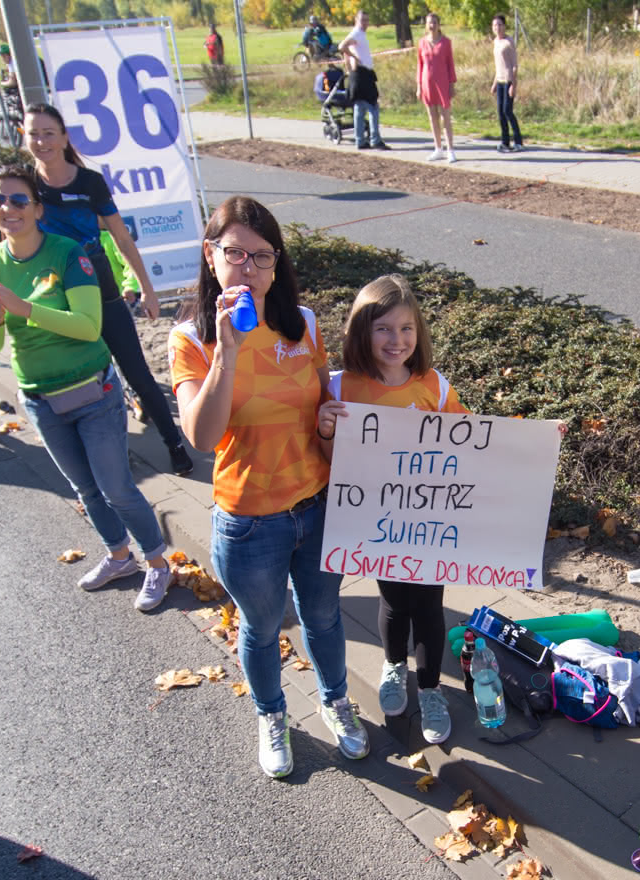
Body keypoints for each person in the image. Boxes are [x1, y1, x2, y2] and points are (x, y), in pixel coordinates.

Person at [168, 196, 360, 779]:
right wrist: (227, 352)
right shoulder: (191, 341)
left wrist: (331, 420)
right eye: (235, 254)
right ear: (210, 257)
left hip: (316, 507)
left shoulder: (303, 325)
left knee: (324, 617)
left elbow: (324, 407)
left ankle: (336, 701)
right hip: (249, 521)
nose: (248, 268)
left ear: (276, 265)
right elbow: (202, 436)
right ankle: (271, 714)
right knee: (260, 625)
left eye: (262, 256)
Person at [0, 100, 196, 475]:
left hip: (97, 284)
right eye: (33, 134)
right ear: (23, 137)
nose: (41, 141)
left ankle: (174, 444)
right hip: (50, 291)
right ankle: (104, 455)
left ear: (64, 137)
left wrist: (146, 287)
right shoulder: (21, 184)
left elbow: (123, 239)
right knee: (82, 374)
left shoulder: (88, 182)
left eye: (49, 133)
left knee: (136, 371)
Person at [0, 164, 174, 612]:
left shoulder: (67, 253)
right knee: (84, 489)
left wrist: (22, 307)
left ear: (38, 207)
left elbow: (89, 326)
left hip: (93, 393)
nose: (8, 208)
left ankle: (159, 562)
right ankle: (120, 557)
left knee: (117, 488)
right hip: (40, 398)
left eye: (19, 199)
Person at [315, 274, 466, 745]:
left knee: (430, 604)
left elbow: (475, 448)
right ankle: (394, 666)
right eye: (383, 328)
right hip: (375, 523)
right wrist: (323, 429)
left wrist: (536, 443)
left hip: (429, 522)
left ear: (418, 332)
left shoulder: (433, 386)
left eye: (406, 329)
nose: (396, 340)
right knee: (394, 600)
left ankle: (431, 688)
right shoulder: (340, 386)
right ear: (361, 331)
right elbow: (326, 460)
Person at [340, 10, 389, 150]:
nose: (365, 23)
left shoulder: (359, 34)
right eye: (362, 20)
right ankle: (375, 139)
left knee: (359, 108)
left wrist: (349, 65)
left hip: (359, 74)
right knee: (373, 107)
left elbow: (346, 53)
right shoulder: (356, 34)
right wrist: (354, 58)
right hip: (362, 74)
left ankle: (360, 140)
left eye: (367, 20)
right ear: (356, 20)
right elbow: (342, 46)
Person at [416, 12, 456, 163]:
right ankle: (438, 148)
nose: (432, 25)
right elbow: (419, 65)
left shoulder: (446, 42)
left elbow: (450, 64)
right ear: (426, 25)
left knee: (445, 116)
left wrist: (452, 84)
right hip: (427, 83)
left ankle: (450, 149)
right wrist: (419, 85)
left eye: (434, 22)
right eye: (429, 23)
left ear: (439, 24)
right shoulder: (421, 42)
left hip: (443, 82)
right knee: (432, 117)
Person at [490, 14, 524, 152]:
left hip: (509, 81)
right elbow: (498, 65)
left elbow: (514, 66)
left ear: (504, 26)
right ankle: (505, 142)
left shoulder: (509, 42)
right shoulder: (496, 42)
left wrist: (513, 86)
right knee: (500, 112)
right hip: (500, 81)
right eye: (495, 25)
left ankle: (518, 141)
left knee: (507, 111)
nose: (497, 28)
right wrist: (494, 83)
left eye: (499, 25)